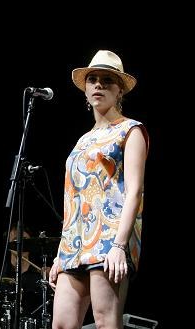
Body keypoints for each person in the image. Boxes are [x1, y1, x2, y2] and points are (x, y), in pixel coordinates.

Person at [49, 50, 149, 329]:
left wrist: (119, 246)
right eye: (92, 79)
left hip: (108, 239)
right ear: (85, 90)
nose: (98, 85)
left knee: (105, 322)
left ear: (119, 91)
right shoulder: (82, 141)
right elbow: (73, 198)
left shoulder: (131, 130)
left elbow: (134, 191)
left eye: (107, 80)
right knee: (62, 324)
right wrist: (60, 252)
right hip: (74, 244)